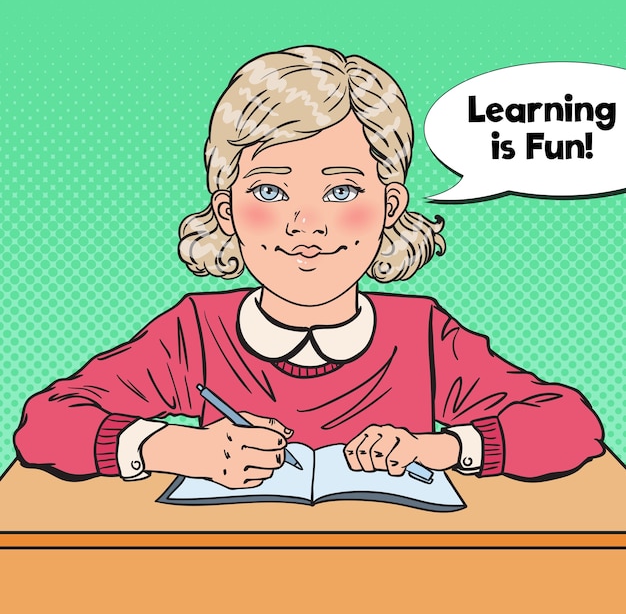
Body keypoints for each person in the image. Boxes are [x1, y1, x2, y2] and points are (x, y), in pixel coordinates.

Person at [14, 46, 604, 487]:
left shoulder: (422, 335)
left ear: (387, 207)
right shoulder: (193, 334)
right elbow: (45, 425)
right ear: (228, 212)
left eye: (341, 192)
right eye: (271, 193)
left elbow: (570, 426)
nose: (306, 225)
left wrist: (439, 449)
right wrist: (175, 449)